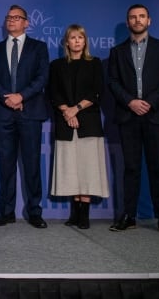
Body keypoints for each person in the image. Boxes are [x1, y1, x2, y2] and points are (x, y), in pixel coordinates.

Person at [107, 4, 159, 236]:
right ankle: (128, 216)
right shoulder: (117, 52)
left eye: (141, 16)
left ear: (149, 20)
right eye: (132, 17)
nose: (137, 20)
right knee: (131, 169)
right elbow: (113, 82)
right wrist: (131, 102)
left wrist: (149, 102)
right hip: (128, 117)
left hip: (154, 116)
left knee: (157, 169)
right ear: (128, 22)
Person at [0, 5, 50, 229]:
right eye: (8, 17)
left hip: (30, 113)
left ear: (26, 23)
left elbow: (42, 78)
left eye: (16, 17)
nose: (11, 21)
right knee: (6, 166)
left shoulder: (39, 48)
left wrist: (21, 96)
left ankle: (34, 212)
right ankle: (6, 212)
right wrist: (8, 99)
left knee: (32, 164)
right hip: (3, 114)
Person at [48, 24, 110, 230]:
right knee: (71, 169)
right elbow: (53, 93)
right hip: (66, 123)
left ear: (85, 42)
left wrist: (76, 109)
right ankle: (74, 213)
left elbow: (97, 91)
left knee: (87, 168)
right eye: (73, 38)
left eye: (80, 38)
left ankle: (85, 214)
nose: (76, 41)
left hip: (89, 124)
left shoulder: (94, 64)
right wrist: (67, 111)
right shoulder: (57, 65)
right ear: (67, 42)